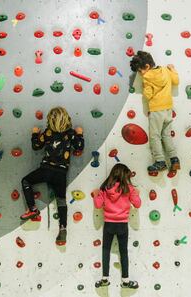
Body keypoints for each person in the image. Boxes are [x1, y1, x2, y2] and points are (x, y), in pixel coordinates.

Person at [19, 107, 84, 245]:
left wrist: (34, 134)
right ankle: (63, 228)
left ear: (50, 120)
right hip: (61, 173)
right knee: (61, 200)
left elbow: (36, 146)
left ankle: (32, 209)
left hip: (46, 170)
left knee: (26, 181)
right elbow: (79, 147)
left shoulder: (47, 133)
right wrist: (80, 134)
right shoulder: (71, 133)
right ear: (67, 119)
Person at [130, 50, 180, 174]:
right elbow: (176, 81)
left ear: (147, 67)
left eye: (140, 71)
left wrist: (146, 88)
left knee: (155, 136)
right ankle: (174, 159)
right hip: (168, 108)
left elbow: (148, 95)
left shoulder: (147, 77)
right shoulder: (165, 70)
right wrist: (172, 69)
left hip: (157, 109)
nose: (141, 74)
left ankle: (160, 161)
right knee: (166, 135)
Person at [92, 163, 141, 289]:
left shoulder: (105, 187)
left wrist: (97, 194)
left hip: (109, 224)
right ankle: (125, 281)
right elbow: (137, 204)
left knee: (106, 251)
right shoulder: (128, 188)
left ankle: (105, 279)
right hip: (122, 225)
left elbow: (98, 205)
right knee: (123, 252)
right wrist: (136, 194)